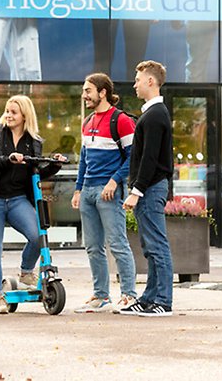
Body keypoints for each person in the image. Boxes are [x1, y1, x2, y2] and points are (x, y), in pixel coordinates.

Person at [0, 95, 67, 314]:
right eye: (7, 110)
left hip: (16, 199)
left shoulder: (33, 141)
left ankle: (26, 272)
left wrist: (55, 165)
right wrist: (9, 159)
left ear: (25, 115)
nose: (8, 115)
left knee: (38, 236)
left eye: (13, 112)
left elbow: (36, 171)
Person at [70, 73, 138, 313]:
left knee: (118, 244)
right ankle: (101, 296)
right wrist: (78, 189)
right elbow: (84, 159)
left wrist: (114, 181)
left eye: (88, 90)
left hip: (109, 191)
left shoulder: (121, 121)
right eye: (84, 90)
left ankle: (129, 295)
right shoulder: (87, 121)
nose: (84, 95)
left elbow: (133, 158)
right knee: (92, 246)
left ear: (103, 93)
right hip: (88, 191)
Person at [121, 60, 174, 317]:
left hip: (151, 189)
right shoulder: (152, 114)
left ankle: (163, 301)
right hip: (150, 188)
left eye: (138, 80)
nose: (135, 84)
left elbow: (150, 158)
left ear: (150, 81)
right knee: (150, 246)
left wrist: (136, 191)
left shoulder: (155, 115)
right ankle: (149, 298)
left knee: (157, 245)